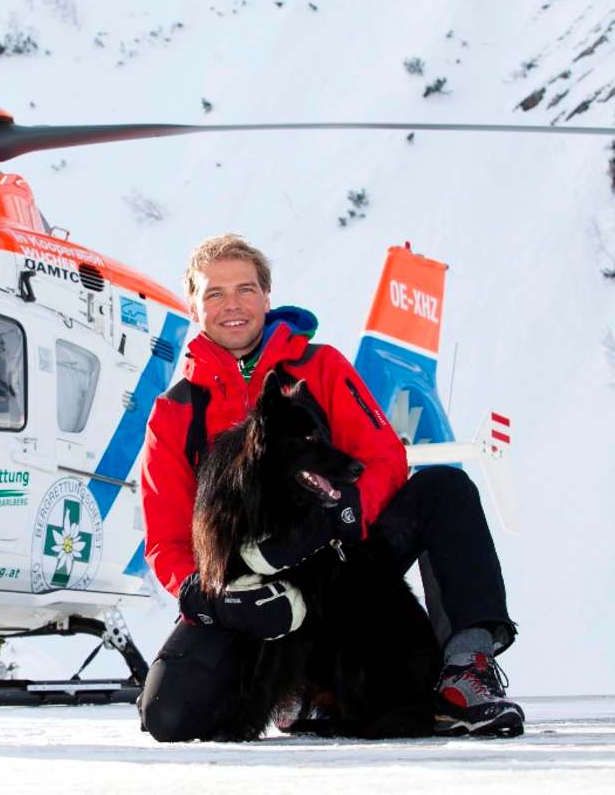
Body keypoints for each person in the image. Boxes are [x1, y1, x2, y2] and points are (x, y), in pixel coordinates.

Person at [137, 235, 522, 741]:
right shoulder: (176, 410)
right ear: (194, 304)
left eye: (245, 289)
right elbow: (166, 538)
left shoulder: (322, 367)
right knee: (168, 715)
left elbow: (384, 457)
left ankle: (462, 674)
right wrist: (212, 598)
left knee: (445, 488)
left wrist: (339, 518)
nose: (232, 305)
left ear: (267, 296)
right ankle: (300, 689)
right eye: (214, 293)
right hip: (252, 585)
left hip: (339, 560)